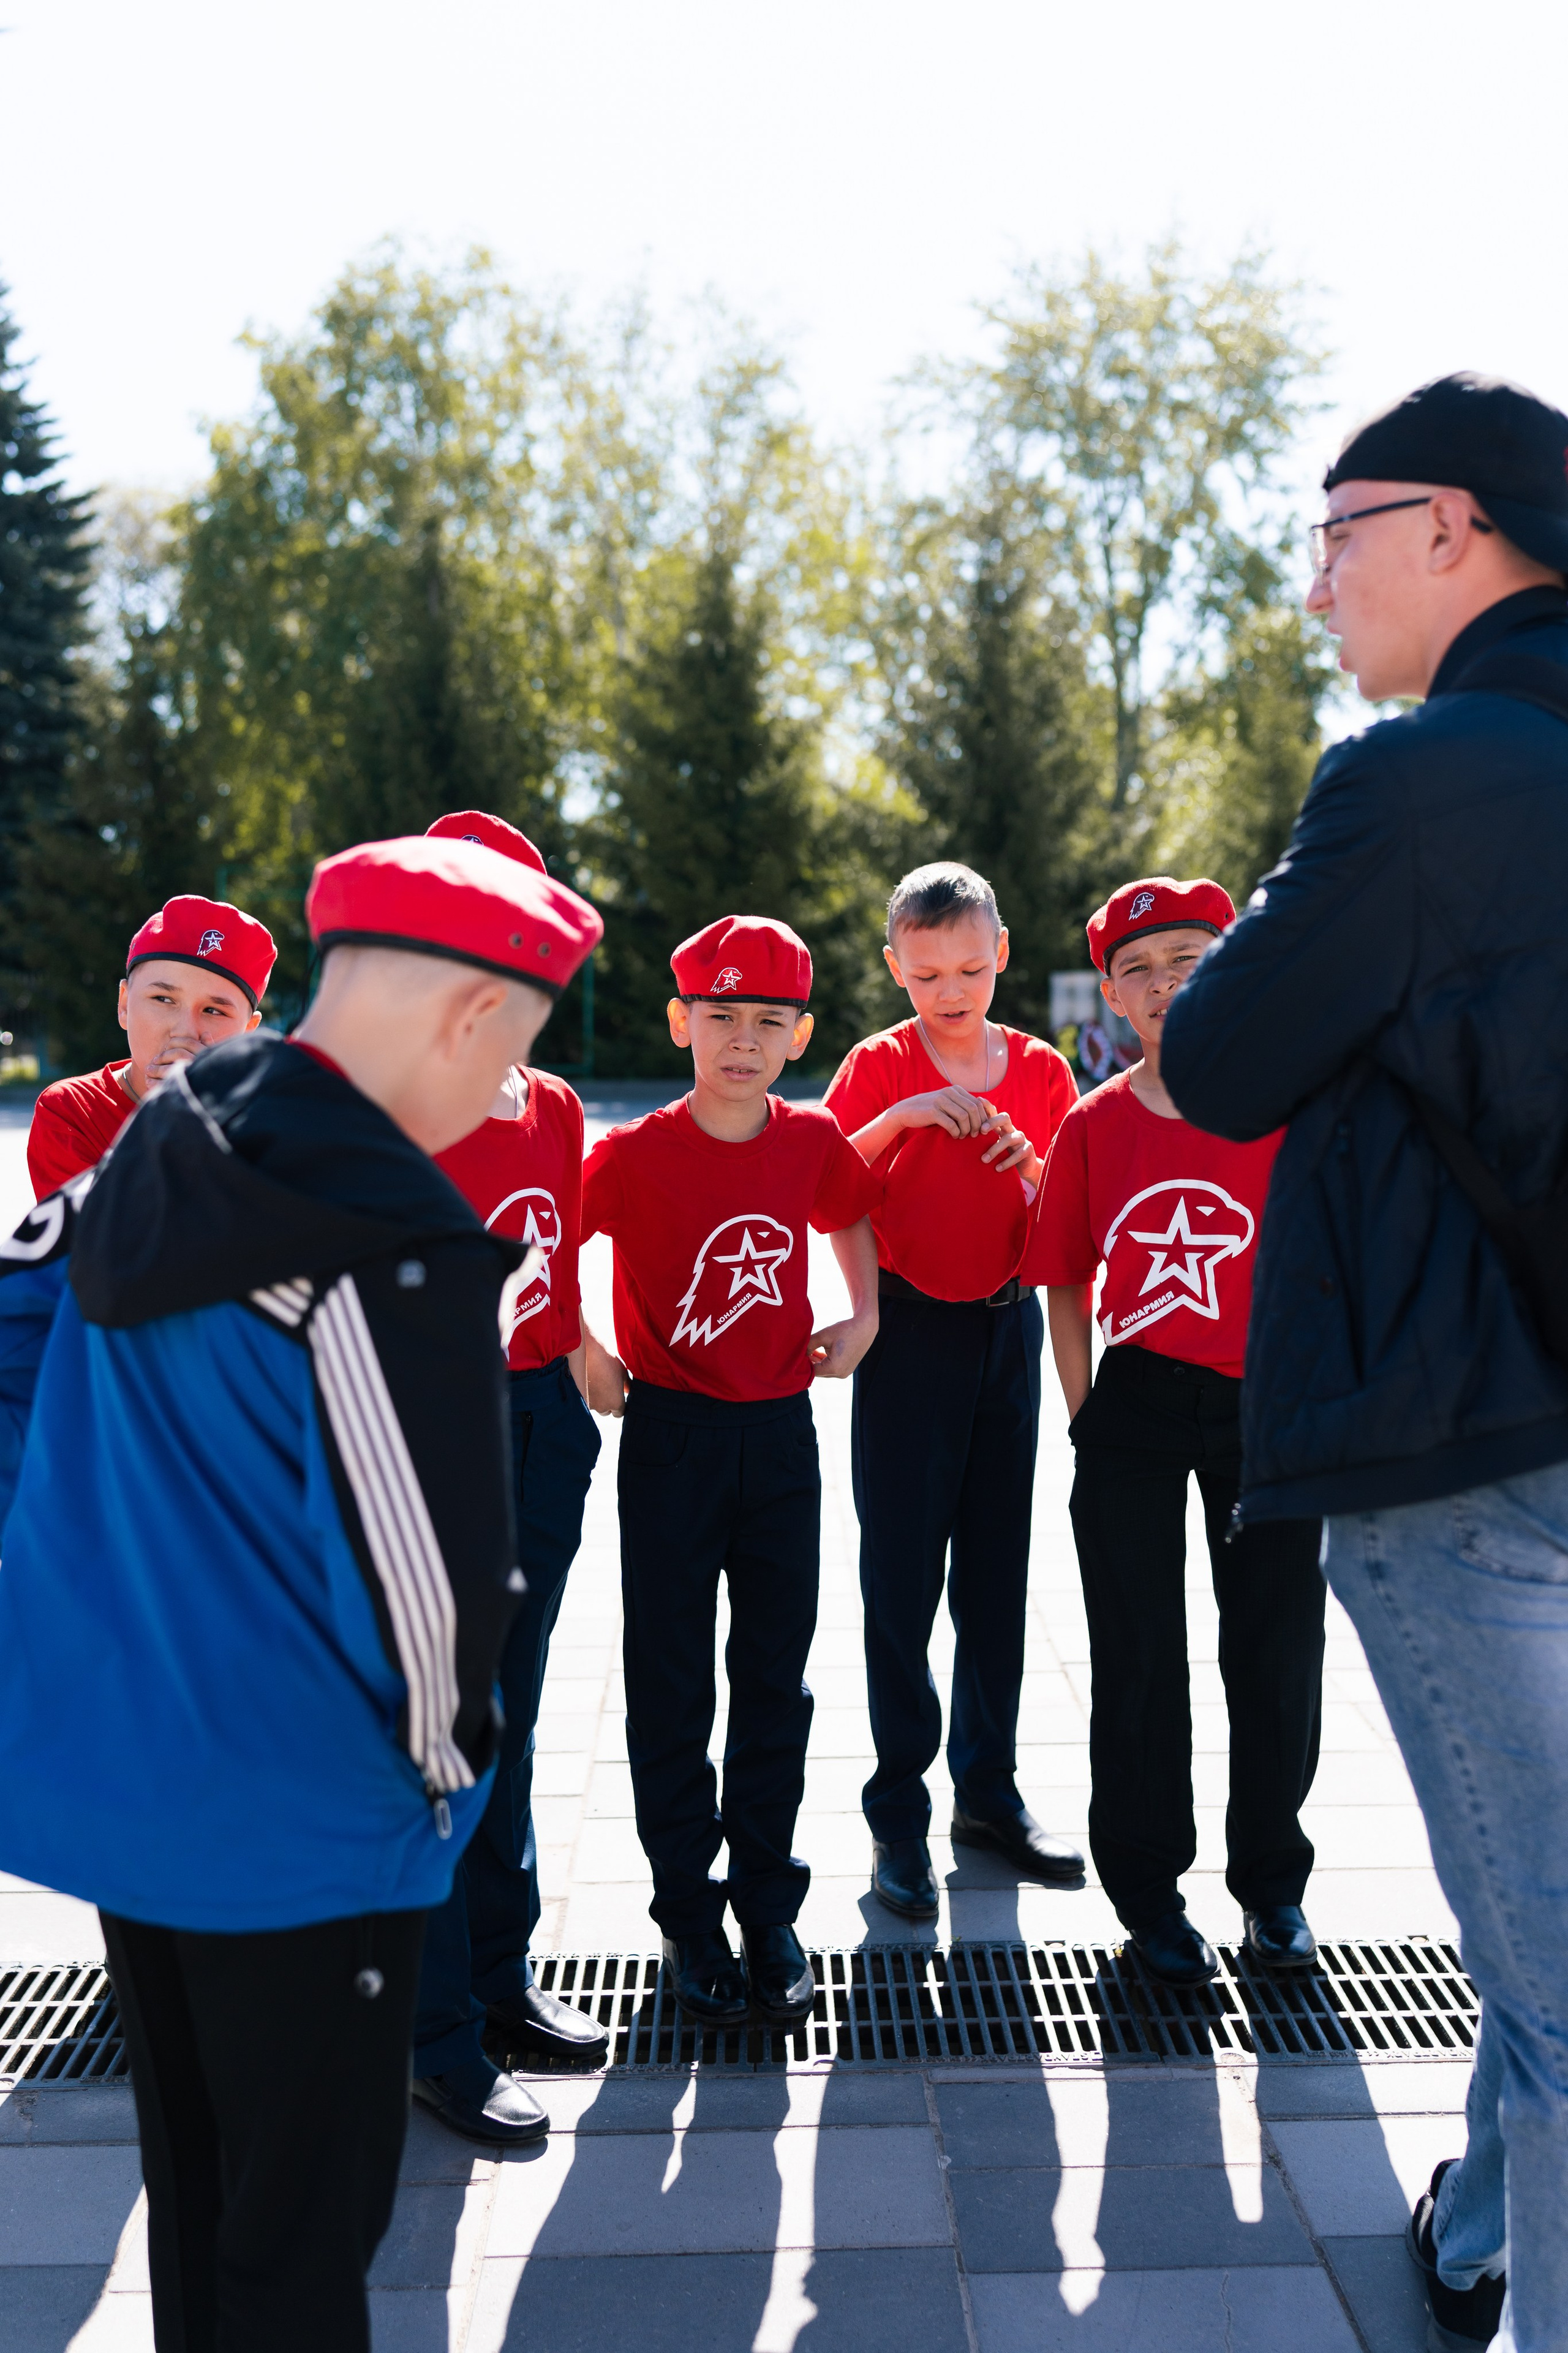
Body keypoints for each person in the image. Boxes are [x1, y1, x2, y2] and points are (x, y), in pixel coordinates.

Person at [0, 833, 601, 2352]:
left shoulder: (170, 1126)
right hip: (305, 1828)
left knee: (199, 2193)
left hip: (135, 1782)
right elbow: (433, 1605)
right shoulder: (389, 1241)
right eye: (522, 1044)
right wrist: (444, 1784)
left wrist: (72, 1584)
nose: (510, 1090)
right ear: (471, 1011)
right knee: (306, 2240)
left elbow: (18, 1313)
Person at [1161, 372, 1568, 2353]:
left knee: (1565, 1974)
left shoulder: (1412, 782)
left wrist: (1277, 928)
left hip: (1457, 1442)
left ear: (1450, 530)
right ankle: (1480, 2228)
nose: (1317, 588)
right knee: (1537, 1893)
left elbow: (1218, 1060)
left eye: (1334, 537)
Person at [580, 915, 880, 2026]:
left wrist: (865, 1313)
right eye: (720, 1016)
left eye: (767, 1021)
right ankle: (687, 1915)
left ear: (799, 1034)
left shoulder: (808, 1142)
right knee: (668, 1680)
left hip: (780, 1439)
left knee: (773, 1679)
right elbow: (552, 1236)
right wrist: (584, 1347)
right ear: (682, 1021)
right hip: (669, 1437)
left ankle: (766, 1903)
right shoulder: (634, 1150)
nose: (741, 1040)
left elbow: (852, 1212)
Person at [1035, 877, 1325, 1988]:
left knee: (1276, 1650)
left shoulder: (1287, 1107)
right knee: (1141, 1657)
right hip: (1139, 1408)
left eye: (1191, 960)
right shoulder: (1094, 1123)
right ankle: (1150, 1897)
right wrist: (1085, 1411)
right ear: (1111, 992)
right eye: (1140, 967)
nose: (1166, 983)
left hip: (1272, 1413)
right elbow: (1062, 1278)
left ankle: (1275, 1889)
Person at [409, 809, 621, 2142]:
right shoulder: (385, 1099)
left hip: (542, 1421)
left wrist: (590, 1362)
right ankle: (431, 2033)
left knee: (517, 1716)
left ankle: (499, 1980)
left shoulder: (547, 1103)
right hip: (428, 1433)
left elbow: (562, 1245)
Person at [823, 861, 1083, 1921]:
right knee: (900, 1585)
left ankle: (988, 1793)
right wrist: (907, 1118)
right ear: (896, 969)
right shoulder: (878, 1063)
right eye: (927, 972)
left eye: (970, 967)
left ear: (1002, 955)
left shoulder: (1042, 1071)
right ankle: (899, 1816)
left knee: (995, 1580)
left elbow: (1072, 1219)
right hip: (908, 1338)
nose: (951, 990)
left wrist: (1031, 1172)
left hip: (1003, 1333)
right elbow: (821, 1183)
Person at [26, 893, 276, 1195]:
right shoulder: (72, 1111)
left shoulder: (268, 1125)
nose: (185, 1031)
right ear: (124, 1005)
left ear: (248, 1032)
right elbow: (97, 1238)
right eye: (164, 999)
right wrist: (171, 1120)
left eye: (214, 1011)